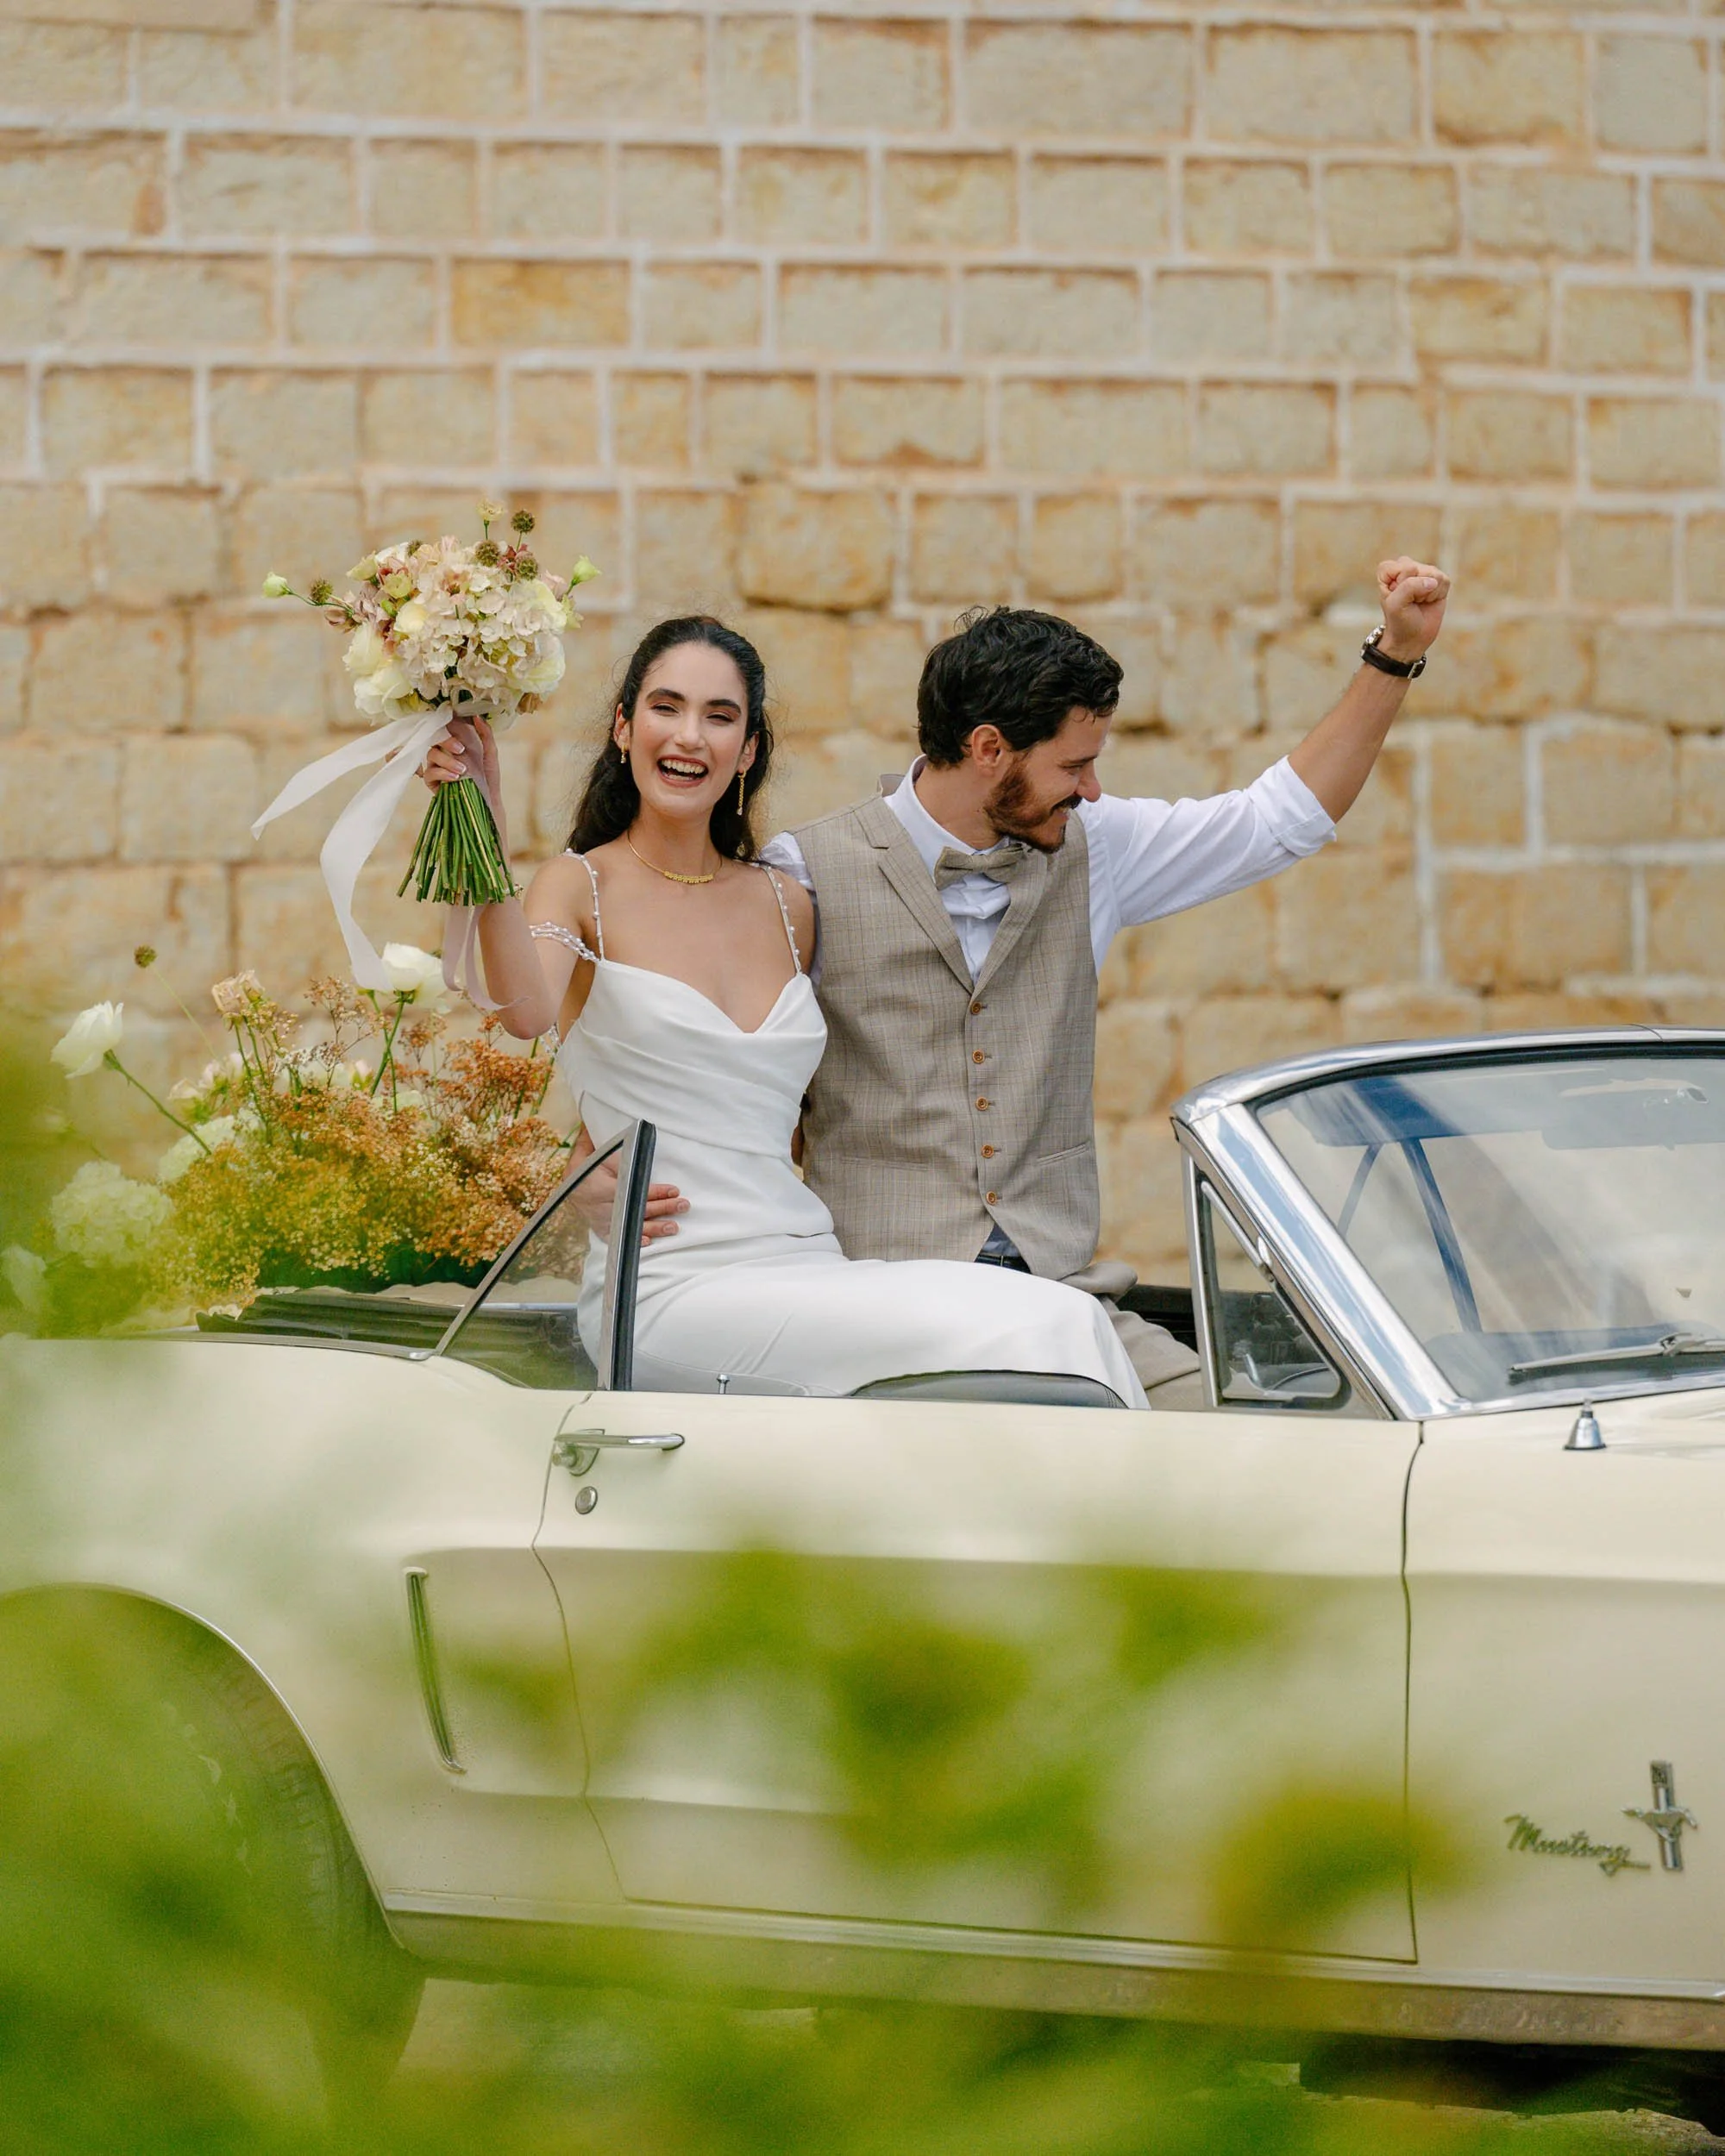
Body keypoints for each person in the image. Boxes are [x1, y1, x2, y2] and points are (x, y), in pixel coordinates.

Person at [755, 559, 1452, 1401]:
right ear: (987, 750)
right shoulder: (803, 873)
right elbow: (740, 1079)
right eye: (1072, 766)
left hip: (1064, 1304)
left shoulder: (1098, 844)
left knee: (1247, 1446)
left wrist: (1393, 655)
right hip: (875, 1318)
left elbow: (1279, 820)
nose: (1092, 788)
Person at [419, 616, 1145, 1405]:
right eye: (666, 707)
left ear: (750, 751)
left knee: (1067, 1320)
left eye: (720, 717)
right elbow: (524, 1012)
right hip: (670, 1285)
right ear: (624, 727)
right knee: (1037, 1333)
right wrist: (483, 830)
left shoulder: (785, 901)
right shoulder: (577, 884)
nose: (690, 736)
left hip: (806, 1257)